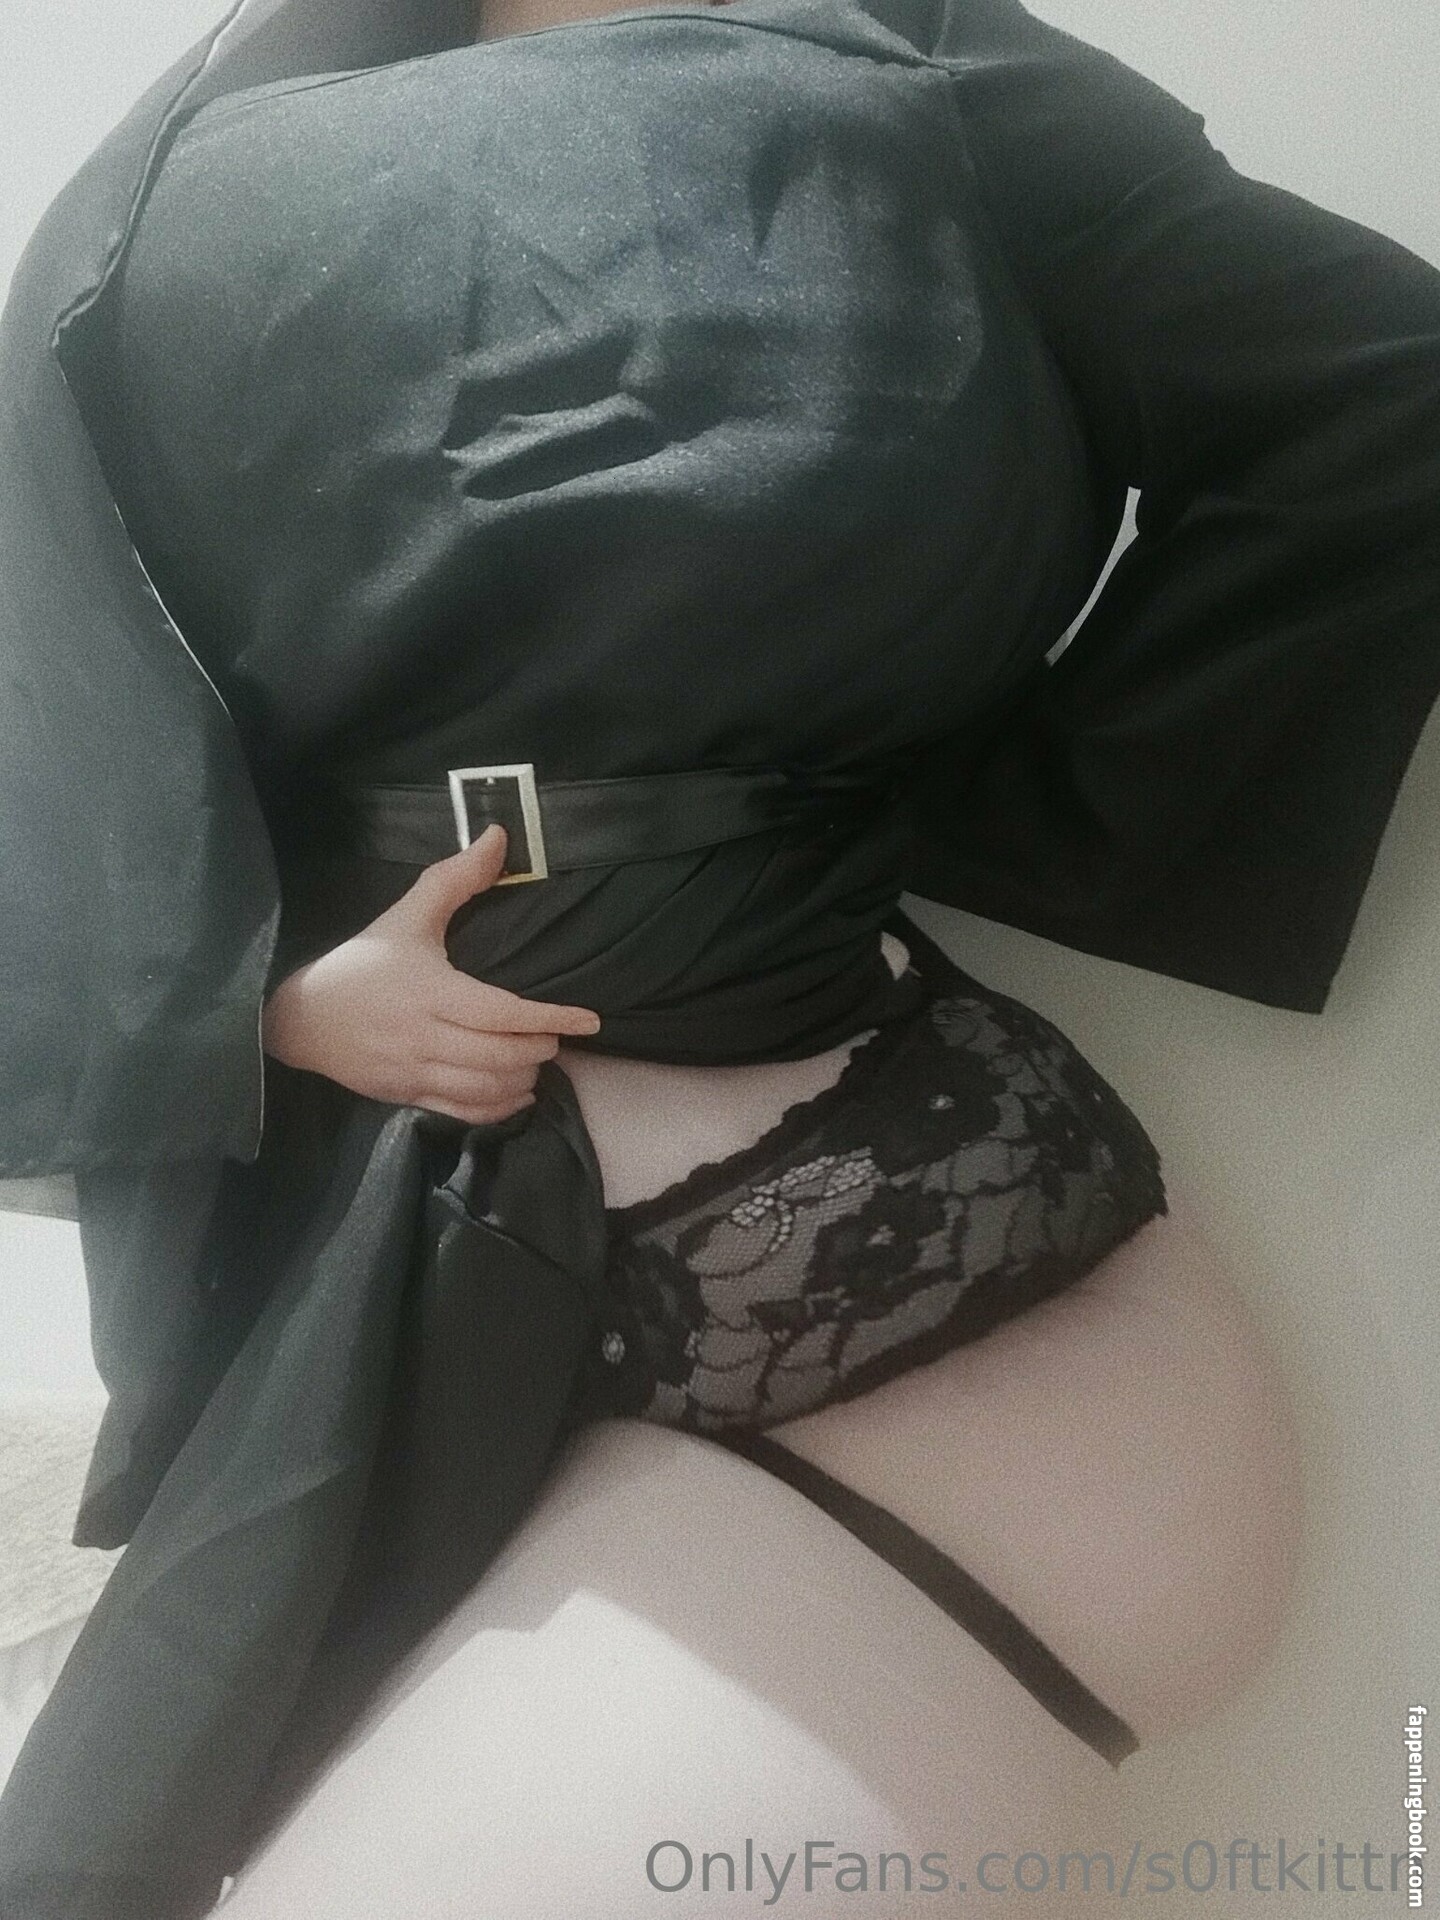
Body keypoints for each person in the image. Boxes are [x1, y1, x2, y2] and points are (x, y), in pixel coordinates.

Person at [0, 0, 1435, 1911]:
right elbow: (59, 675)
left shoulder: (901, 52)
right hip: (502, 1292)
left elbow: (1388, 394)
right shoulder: (187, 158)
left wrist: (1005, 807)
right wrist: (251, 1010)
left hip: (897, 1316)